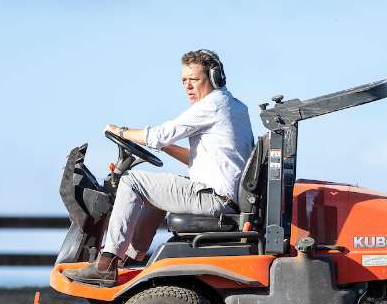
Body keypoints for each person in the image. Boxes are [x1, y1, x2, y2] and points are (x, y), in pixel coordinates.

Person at [64, 50, 254, 286]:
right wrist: (165, 147)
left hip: (215, 200)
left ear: (215, 78)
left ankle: (107, 262)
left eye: (194, 79)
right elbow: (195, 157)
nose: (188, 87)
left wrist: (120, 131)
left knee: (132, 181)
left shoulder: (212, 105)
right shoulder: (233, 106)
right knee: (154, 192)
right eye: (184, 81)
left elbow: (159, 135)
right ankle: (130, 259)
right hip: (223, 198)